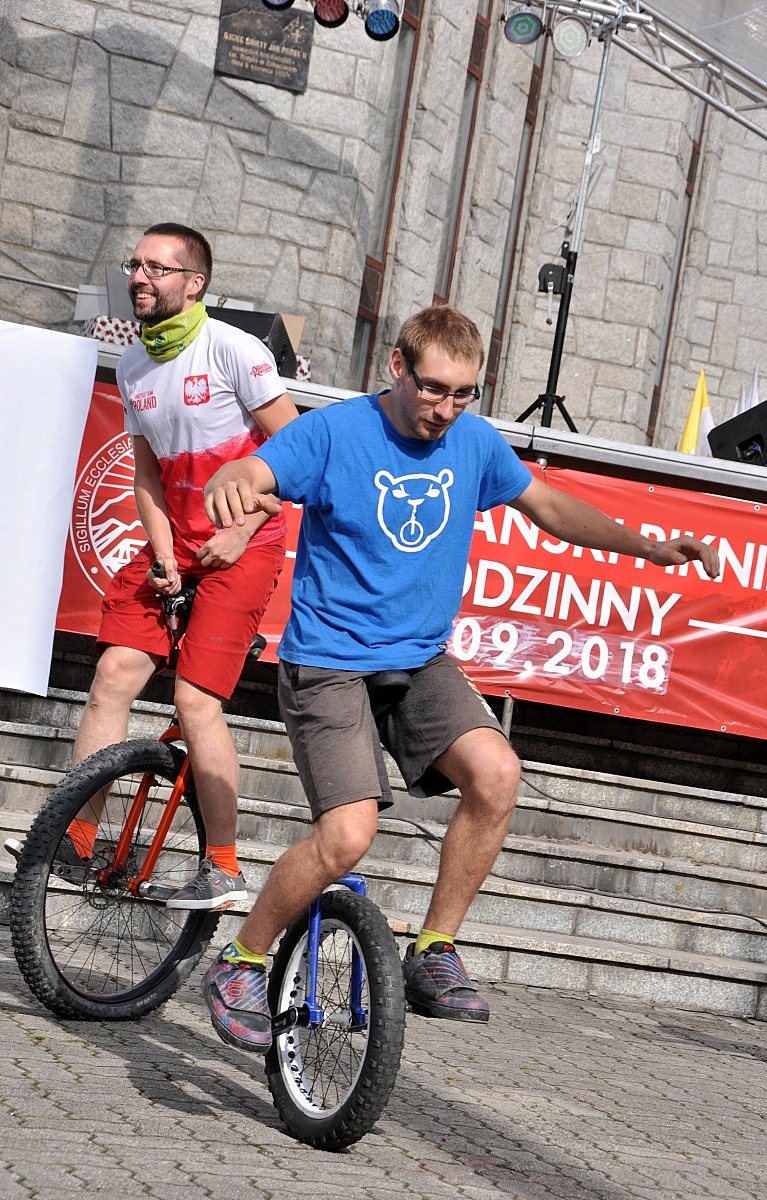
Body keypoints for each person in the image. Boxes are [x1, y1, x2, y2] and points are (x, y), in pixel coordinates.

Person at [199, 304, 720, 1050]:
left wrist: (649, 548)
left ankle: (433, 949)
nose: (445, 409)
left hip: (418, 662)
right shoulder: (336, 432)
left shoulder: (473, 442)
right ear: (398, 367)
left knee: (497, 773)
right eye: (433, 389)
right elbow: (260, 470)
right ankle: (242, 960)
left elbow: (548, 506)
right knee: (347, 836)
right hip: (329, 664)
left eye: (463, 394)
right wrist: (235, 477)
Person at [56, 222, 298, 910]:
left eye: (156, 268)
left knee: (194, 702)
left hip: (243, 544)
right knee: (112, 676)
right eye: (134, 264)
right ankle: (75, 839)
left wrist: (242, 529)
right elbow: (146, 475)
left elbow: (301, 453)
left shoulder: (233, 349)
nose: (138, 277)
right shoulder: (134, 362)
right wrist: (164, 555)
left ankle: (223, 866)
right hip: (177, 544)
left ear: (195, 284)